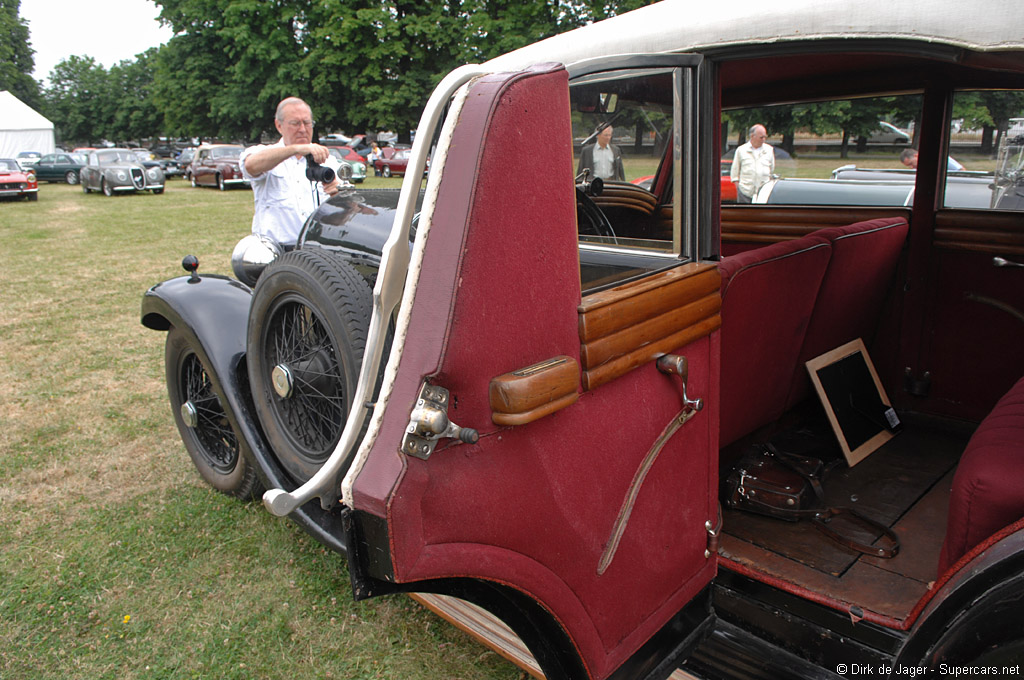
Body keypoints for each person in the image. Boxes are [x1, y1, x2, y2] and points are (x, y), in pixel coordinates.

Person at [240, 97, 341, 249]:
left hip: (318, 250)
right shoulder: (264, 154)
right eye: (295, 123)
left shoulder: (329, 161)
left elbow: (349, 211)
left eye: (307, 123)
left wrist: (339, 195)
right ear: (278, 125)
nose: (302, 129)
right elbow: (250, 166)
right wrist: (295, 149)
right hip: (275, 252)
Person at [730, 124, 775, 203]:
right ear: (752, 136)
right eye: (761, 137)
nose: (763, 139)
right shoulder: (741, 150)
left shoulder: (769, 150)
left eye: (765, 137)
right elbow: (735, 172)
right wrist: (739, 188)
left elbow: (771, 171)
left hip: (763, 194)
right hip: (745, 193)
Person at [899, 148, 964, 172]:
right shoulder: (916, 170)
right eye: (909, 166)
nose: (912, 167)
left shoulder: (939, 158)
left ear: (916, 156)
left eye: (911, 163)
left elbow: (961, 171)